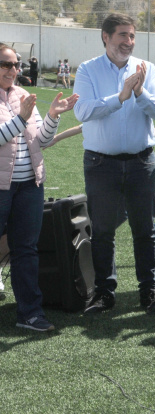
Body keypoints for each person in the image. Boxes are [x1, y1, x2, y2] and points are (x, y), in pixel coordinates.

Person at [74, 13, 155, 315]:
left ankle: (149, 291)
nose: (128, 42)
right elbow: (83, 111)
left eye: (132, 36)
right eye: (122, 35)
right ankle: (104, 293)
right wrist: (120, 96)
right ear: (106, 36)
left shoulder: (148, 69)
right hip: (101, 164)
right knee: (103, 231)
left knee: (144, 230)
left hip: (142, 163)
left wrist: (140, 92)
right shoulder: (87, 69)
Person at [0, 44, 77, 330]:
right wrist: (21, 118)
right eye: (6, 64)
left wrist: (53, 117)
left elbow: (40, 141)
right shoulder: (21, 104)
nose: (14, 70)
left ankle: (30, 313)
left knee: (26, 250)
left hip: (30, 186)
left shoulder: (23, 96)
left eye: (16, 64)